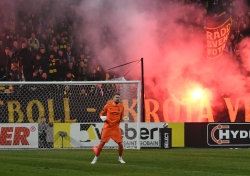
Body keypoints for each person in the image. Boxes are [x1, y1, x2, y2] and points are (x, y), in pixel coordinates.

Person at [91, 93, 127, 164]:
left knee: (120, 144)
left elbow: (121, 118)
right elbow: (101, 113)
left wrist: (124, 119)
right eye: (116, 97)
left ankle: (120, 158)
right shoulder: (108, 106)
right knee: (102, 143)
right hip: (107, 127)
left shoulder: (121, 107)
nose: (117, 98)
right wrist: (102, 117)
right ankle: (95, 158)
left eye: (118, 97)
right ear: (113, 98)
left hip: (116, 128)